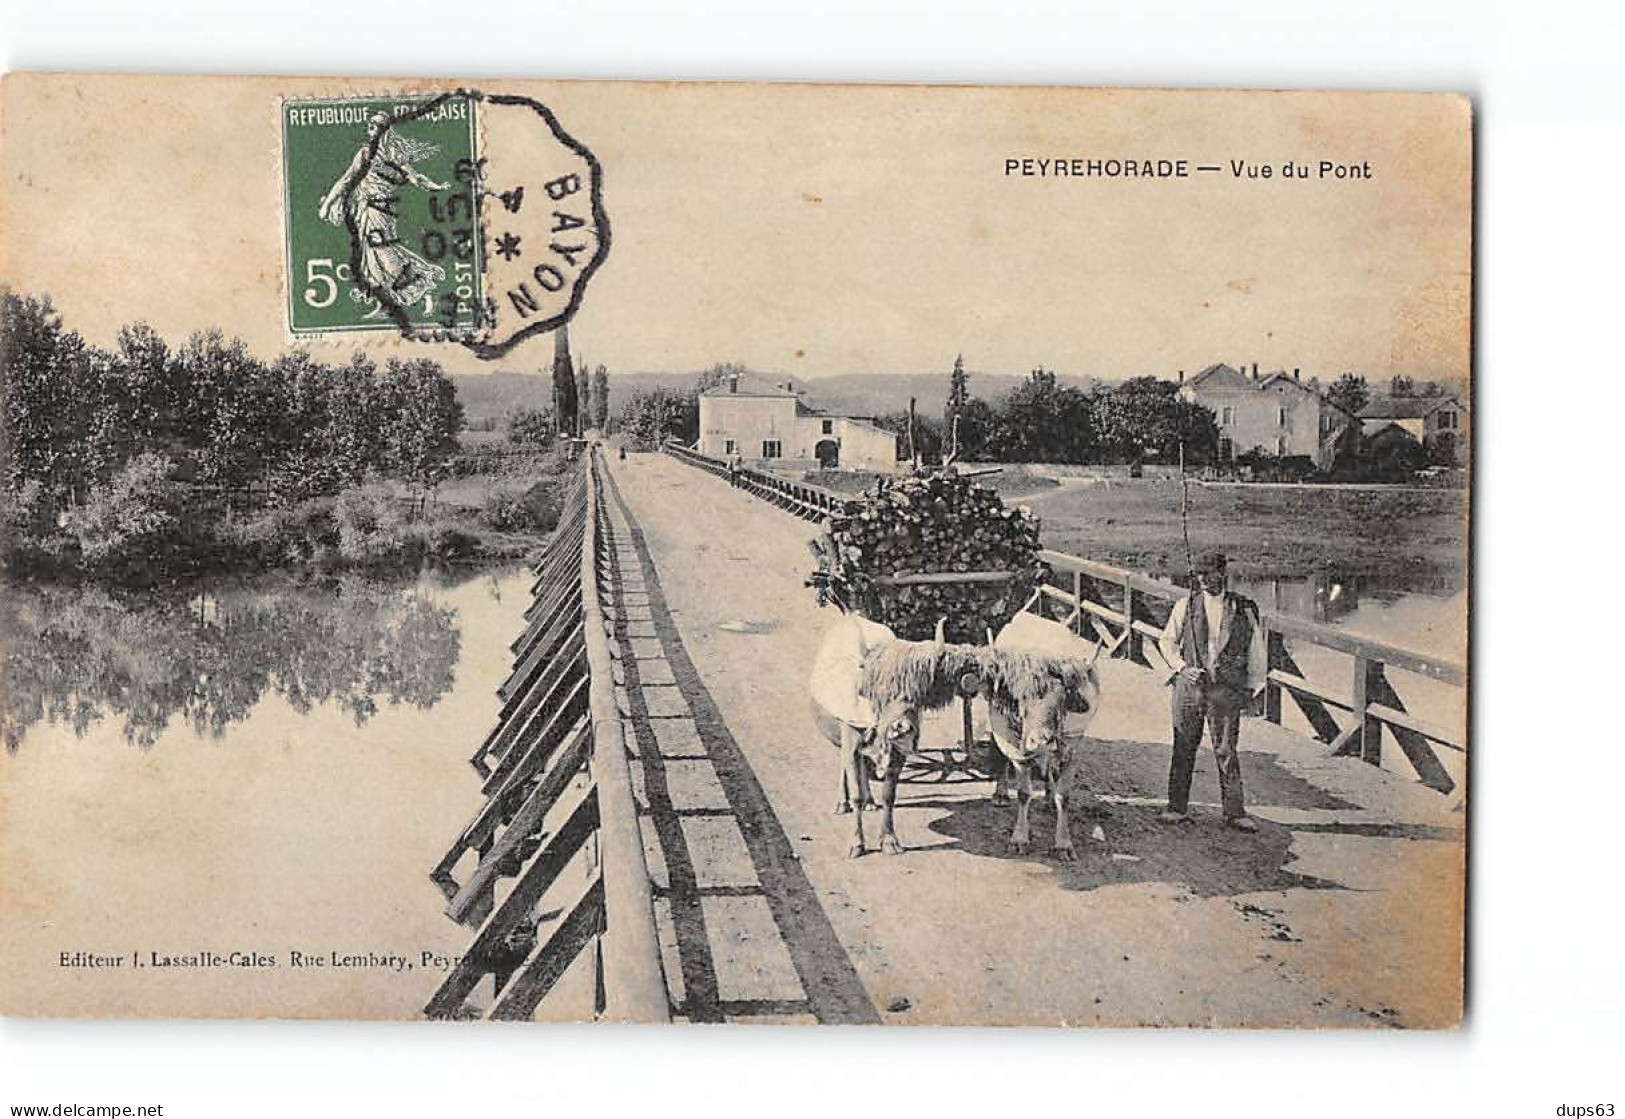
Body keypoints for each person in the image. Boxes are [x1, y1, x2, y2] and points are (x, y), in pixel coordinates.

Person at [1157, 549, 1267, 832]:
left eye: (1209, 573)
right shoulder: (1186, 605)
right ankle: (1176, 807)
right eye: (1199, 575)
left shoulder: (1244, 609)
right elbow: (1167, 641)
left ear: (1222, 573)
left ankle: (1234, 812)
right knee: (1183, 745)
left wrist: (1254, 688)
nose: (1204, 580)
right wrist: (1182, 667)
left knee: (1226, 749)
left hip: (1225, 690)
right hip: (1190, 687)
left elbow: (1256, 652)